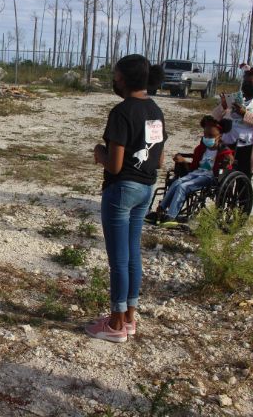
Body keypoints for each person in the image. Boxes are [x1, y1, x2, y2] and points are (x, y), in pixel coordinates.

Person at [89, 54, 166, 343]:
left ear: (123, 79)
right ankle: (130, 317)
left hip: (121, 190)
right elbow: (159, 160)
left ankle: (115, 323)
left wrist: (100, 153)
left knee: (119, 260)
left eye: (115, 75)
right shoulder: (155, 110)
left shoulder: (121, 112)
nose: (114, 79)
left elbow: (116, 165)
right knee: (133, 255)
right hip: (145, 189)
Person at [146, 116, 234, 227]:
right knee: (177, 182)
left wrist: (227, 161)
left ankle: (171, 215)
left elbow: (227, 168)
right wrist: (183, 161)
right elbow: (193, 167)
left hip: (210, 177)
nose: (207, 138)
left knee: (184, 186)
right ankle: (161, 210)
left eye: (210, 136)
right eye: (205, 135)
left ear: (219, 136)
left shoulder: (224, 152)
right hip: (196, 173)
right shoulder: (201, 149)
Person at [213, 64, 253, 179]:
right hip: (228, 145)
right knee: (222, 178)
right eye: (245, 82)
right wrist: (222, 107)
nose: (247, 85)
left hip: (247, 148)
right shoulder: (235, 97)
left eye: (251, 83)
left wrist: (245, 114)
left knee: (242, 179)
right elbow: (215, 117)